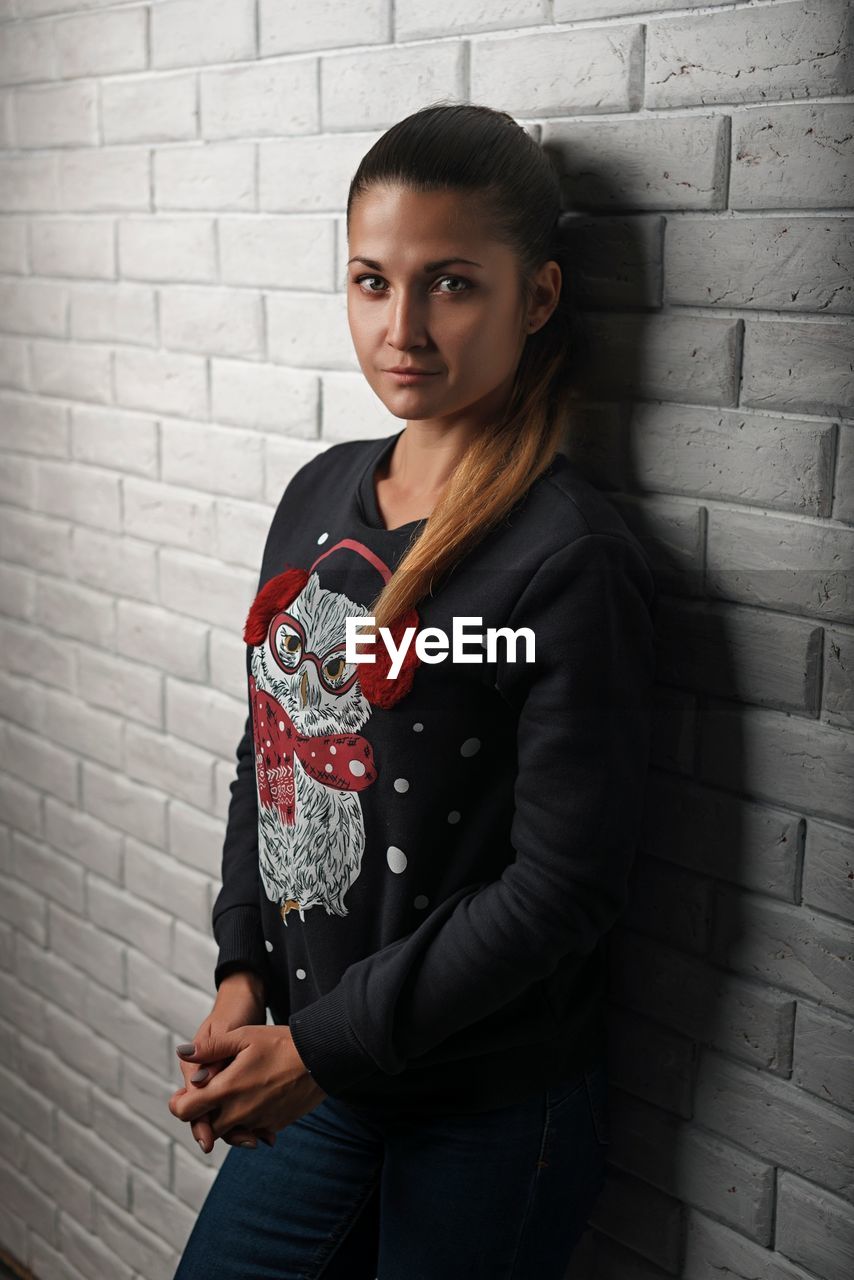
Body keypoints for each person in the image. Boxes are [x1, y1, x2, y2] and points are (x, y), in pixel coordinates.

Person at [168, 101, 657, 1280]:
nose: (401, 328)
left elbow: (561, 887)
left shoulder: (562, 554)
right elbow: (271, 751)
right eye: (370, 281)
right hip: (315, 1067)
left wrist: (317, 1046)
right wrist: (245, 968)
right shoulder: (318, 492)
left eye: (449, 285)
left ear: (534, 297)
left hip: (486, 1109)